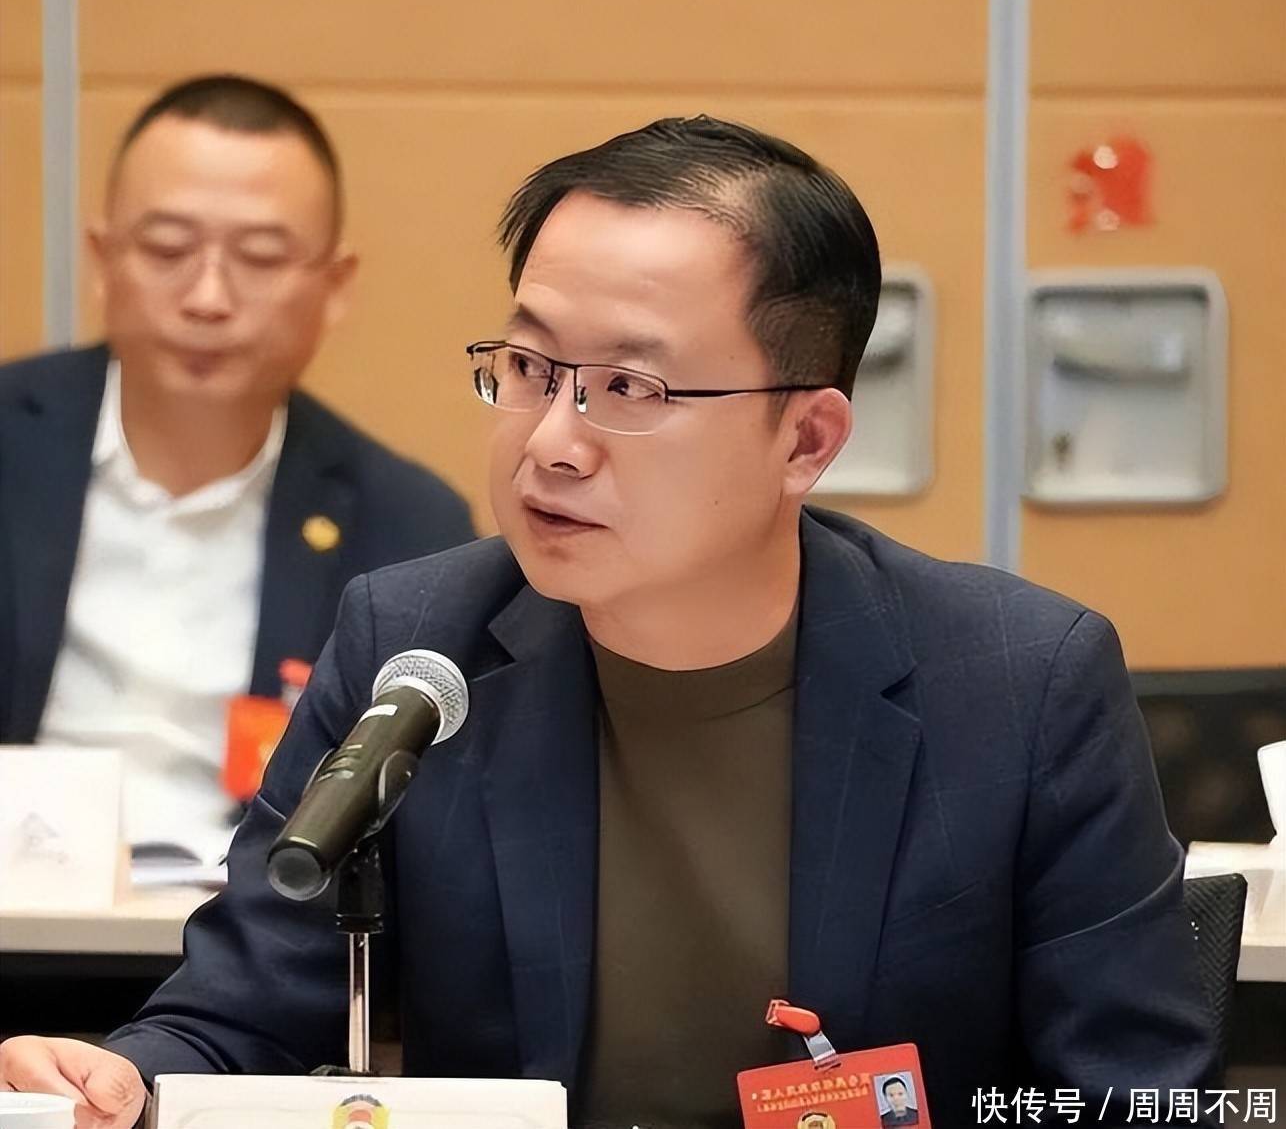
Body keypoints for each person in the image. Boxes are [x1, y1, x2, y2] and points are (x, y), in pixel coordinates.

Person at [0, 117, 1214, 1129]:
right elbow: (240, 1013)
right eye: (530, 369)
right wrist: (121, 1076)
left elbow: (1135, 1097)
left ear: (805, 439)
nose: (550, 442)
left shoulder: (1019, 684)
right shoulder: (415, 645)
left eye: (629, 388)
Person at [0, 76, 473, 852]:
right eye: (167, 249)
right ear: (102, 259)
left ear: (334, 287)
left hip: (252, 920)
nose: (208, 297)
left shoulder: (406, 527)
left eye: (258, 257)